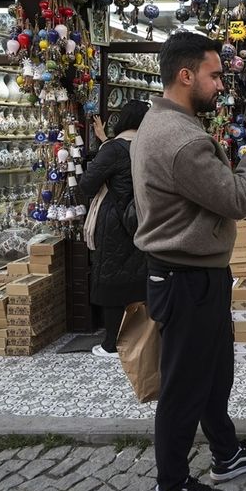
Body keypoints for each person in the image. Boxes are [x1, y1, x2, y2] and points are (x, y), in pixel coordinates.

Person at [131, 31, 246, 491]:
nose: (220, 85)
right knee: (185, 386)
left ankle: (227, 452)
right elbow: (237, 199)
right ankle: (171, 487)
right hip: (185, 278)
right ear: (185, 74)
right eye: (214, 75)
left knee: (213, 374)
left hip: (194, 275)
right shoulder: (182, 140)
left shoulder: (164, 123)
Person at [80, 100, 149, 358]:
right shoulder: (146, 146)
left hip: (114, 223)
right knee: (138, 277)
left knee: (112, 280)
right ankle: (142, 339)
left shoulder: (115, 149)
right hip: (143, 218)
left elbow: (87, 184)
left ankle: (111, 343)